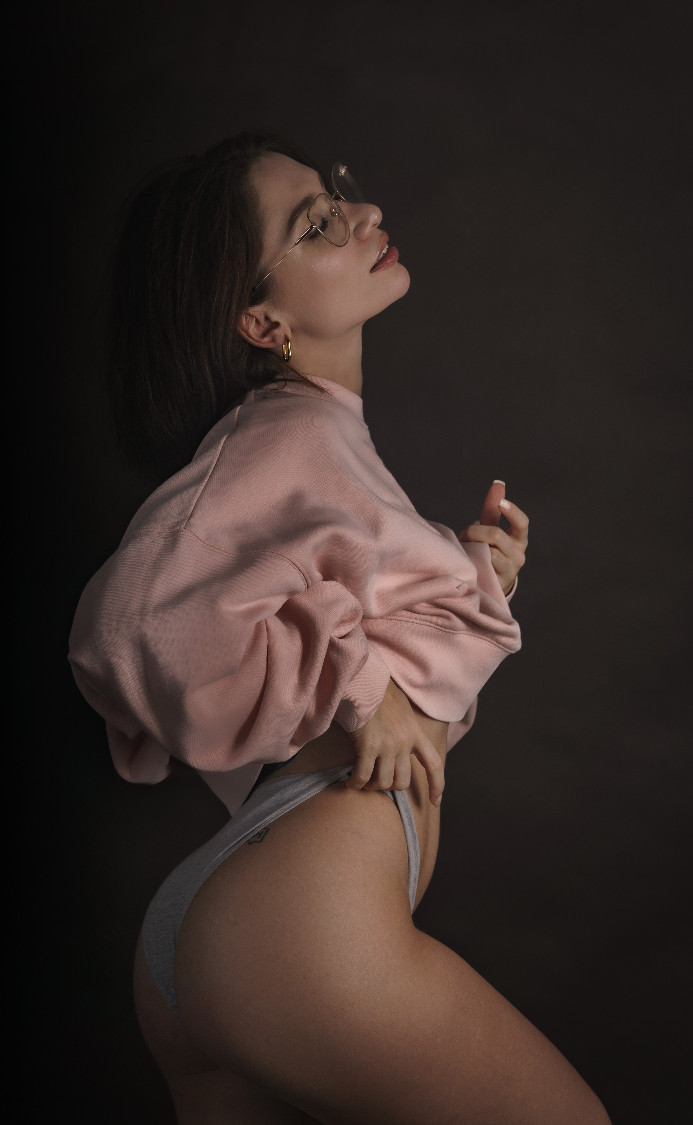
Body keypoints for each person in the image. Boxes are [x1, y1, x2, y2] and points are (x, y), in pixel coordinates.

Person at [68, 130, 610, 1124]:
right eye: (318, 223)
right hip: (298, 925)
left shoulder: (312, 439)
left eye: (340, 196)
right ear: (262, 321)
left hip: (241, 920)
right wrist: (365, 689)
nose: (365, 215)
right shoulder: (289, 430)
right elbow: (130, 625)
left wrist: (470, 578)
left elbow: (304, 607)